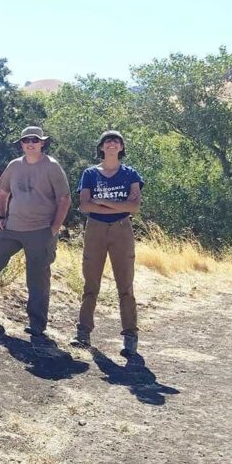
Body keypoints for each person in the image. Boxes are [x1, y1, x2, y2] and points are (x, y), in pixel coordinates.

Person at [0, 126, 71, 340]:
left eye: (35, 140)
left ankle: (37, 324)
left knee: (37, 276)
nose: (30, 144)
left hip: (40, 230)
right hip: (12, 227)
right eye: (26, 140)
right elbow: (3, 193)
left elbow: (64, 199)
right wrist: (2, 219)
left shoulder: (52, 167)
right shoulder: (15, 166)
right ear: (21, 144)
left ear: (42, 143)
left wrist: (55, 228)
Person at [72, 130, 144, 357]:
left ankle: (130, 335)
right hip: (95, 228)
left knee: (125, 284)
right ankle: (83, 331)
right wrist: (119, 204)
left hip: (122, 229)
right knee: (90, 282)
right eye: (107, 141)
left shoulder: (130, 174)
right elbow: (84, 206)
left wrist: (102, 200)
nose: (112, 144)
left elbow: (134, 208)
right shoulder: (90, 174)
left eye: (116, 141)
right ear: (101, 147)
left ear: (121, 147)